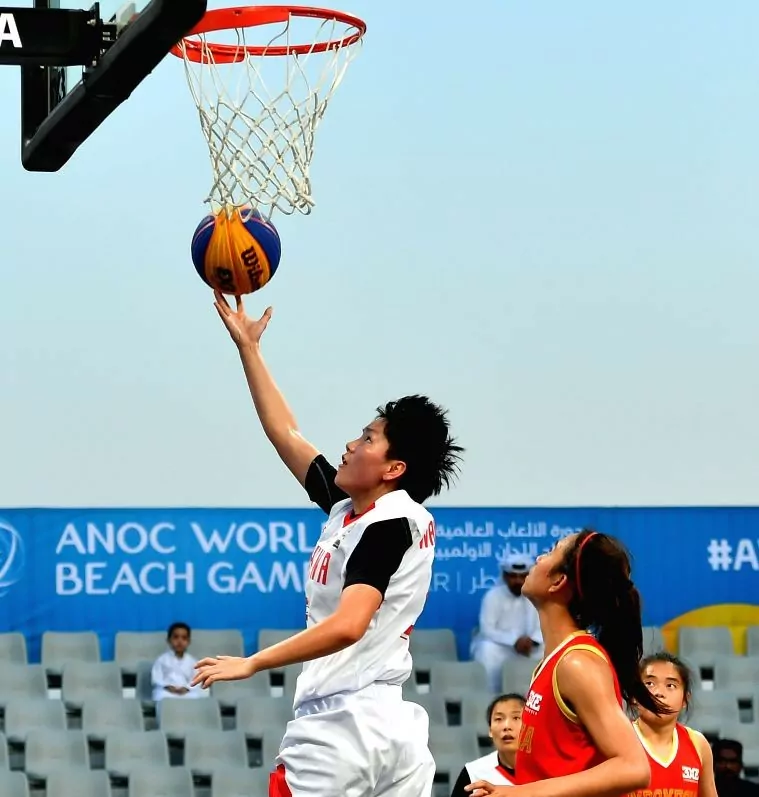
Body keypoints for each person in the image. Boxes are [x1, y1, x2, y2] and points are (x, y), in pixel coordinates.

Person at [192, 293, 464, 797]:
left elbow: (348, 625)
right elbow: (285, 433)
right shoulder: (354, 510)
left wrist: (252, 662)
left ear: (393, 469)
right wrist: (249, 348)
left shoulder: (386, 525)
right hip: (393, 728)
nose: (350, 444)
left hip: (341, 730)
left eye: (367, 437)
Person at [466, 528, 664, 797]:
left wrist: (520, 794)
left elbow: (634, 767)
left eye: (550, 552)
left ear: (558, 581)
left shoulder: (577, 664)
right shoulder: (556, 660)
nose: (538, 559)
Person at [631, 652, 717, 797]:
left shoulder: (698, 744)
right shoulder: (616, 740)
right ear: (634, 695)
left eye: (670, 685)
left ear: (685, 700)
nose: (659, 693)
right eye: (649, 683)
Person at [471, 553, 543, 692]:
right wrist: (514, 641)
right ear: (505, 576)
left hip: (530, 648)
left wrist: (533, 641)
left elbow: (545, 624)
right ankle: (491, 694)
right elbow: (487, 629)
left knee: (550, 650)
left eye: (522, 576)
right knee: (486, 649)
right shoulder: (493, 596)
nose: (518, 581)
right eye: (513, 576)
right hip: (502, 648)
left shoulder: (538, 596)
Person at [450, 693, 524, 797]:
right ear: (490, 730)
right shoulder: (473, 772)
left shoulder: (549, 769)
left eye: (516, 718)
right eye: (498, 719)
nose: (506, 726)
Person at [151, 622, 207, 702]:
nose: (180, 641)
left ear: (189, 641)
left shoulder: (193, 661)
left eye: (184, 638)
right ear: (168, 640)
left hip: (186, 692)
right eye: (176, 637)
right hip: (167, 691)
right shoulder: (162, 659)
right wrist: (167, 686)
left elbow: (196, 679)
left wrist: (187, 688)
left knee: (196, 696)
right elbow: (156, 678)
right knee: (160, 696)